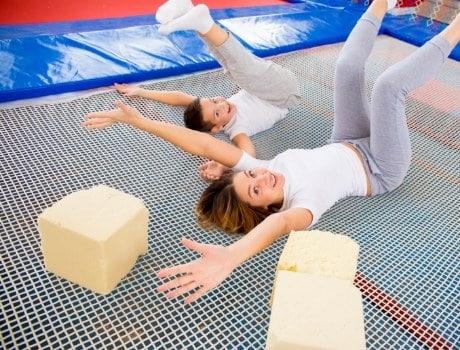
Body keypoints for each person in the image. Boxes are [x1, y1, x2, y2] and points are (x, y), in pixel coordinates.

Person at [82, 0, 460, 304]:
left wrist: (140, 122)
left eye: (250, 177)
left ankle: (383, 3)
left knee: (345, 67)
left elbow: (205, 143)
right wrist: (232, 256)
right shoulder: (301, 206)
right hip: (380, 167)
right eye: (259, 190)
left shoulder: (267, 166)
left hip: (346, 137)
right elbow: (277, 226)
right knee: (389, 86)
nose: (262, 177)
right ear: (266, 208)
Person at [114, 0, 301, 181]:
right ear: (217, 128)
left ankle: (191, 13)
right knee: (241, 70)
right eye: (218, 112)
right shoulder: (237, 129)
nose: (222, 103)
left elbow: (179, 98)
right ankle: (203, 22)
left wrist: (141, 92)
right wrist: (223, 165)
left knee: (230, 65)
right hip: (284, 96)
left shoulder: (221, 108)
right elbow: (247, 153)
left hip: (263, 83)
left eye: (214, 101)